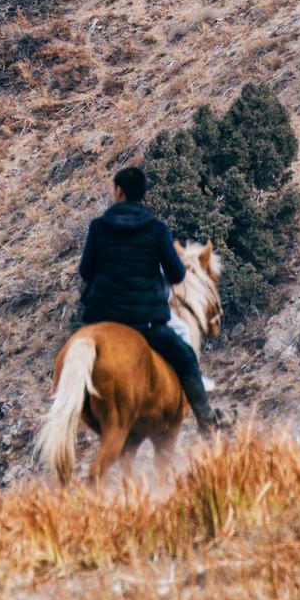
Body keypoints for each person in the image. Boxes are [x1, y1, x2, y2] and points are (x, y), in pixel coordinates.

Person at [77, 163, 224, 432]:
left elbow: (85, 271)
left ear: (117, 191)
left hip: (102, 317)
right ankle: (207, 421)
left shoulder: (98, 227)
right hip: (144, 320)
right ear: (142, 194)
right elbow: (177, 275)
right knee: (186, 357)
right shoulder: (156, 229)